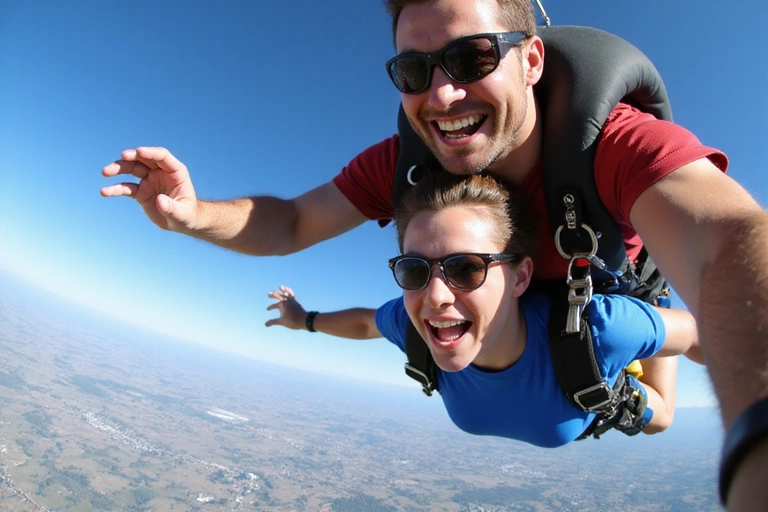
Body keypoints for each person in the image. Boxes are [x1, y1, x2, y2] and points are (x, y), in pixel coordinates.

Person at [101, 0, 768, 505]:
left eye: (474, 57)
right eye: (414, 70)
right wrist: (191, 216)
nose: (443, 94)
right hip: (518, 319)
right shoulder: (407, 168)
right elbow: (296, 221)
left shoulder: (616, 145)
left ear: (531, 60)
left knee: (652, 405)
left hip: (609, 290)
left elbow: (730, 240)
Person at [264, 171, 702, 448]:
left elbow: (699, 333)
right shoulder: (413, 323)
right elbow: (364, 322)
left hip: (610, 359)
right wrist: (303, 320)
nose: (434, 296)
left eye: (467, 268)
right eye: (415, 270)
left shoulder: (603, 331)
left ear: (520, 276)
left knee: (659, 419)